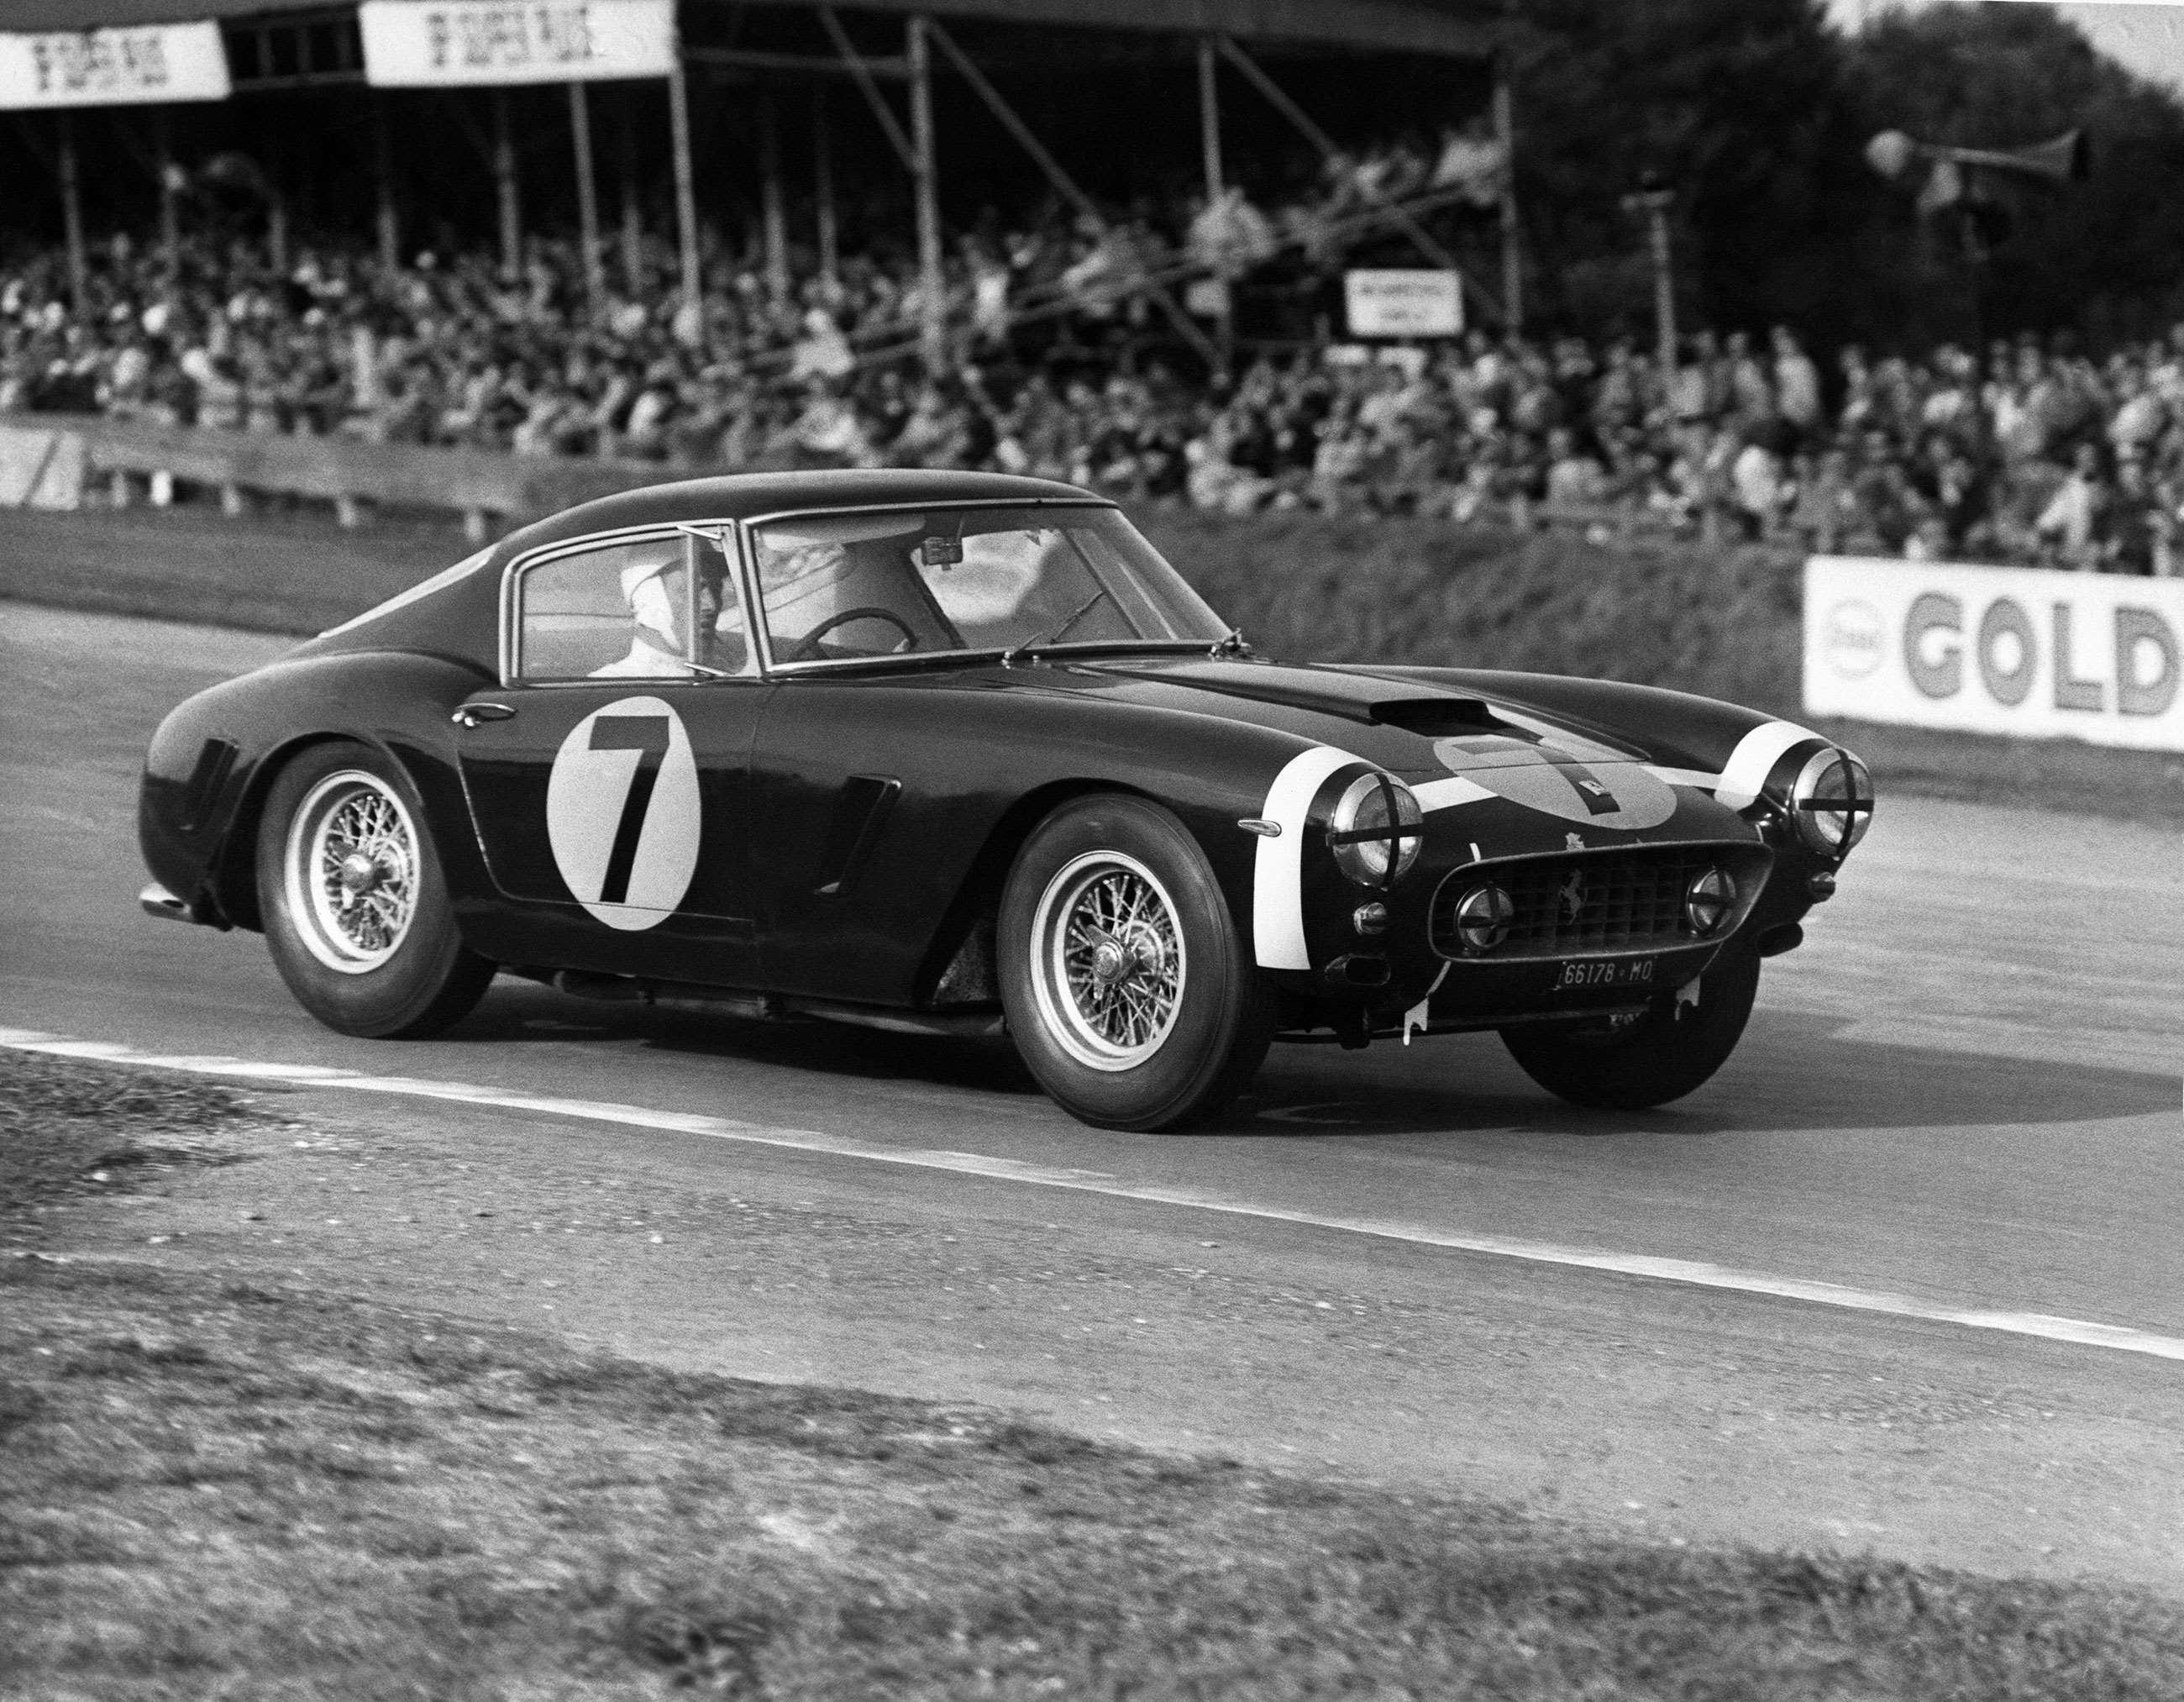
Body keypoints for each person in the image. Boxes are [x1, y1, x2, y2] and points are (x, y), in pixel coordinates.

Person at [592, 552, 738, 677]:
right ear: (647, 600)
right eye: (692, 590)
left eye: (716, 589)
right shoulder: (616, 686)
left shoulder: (732, 665)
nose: (711, 606)